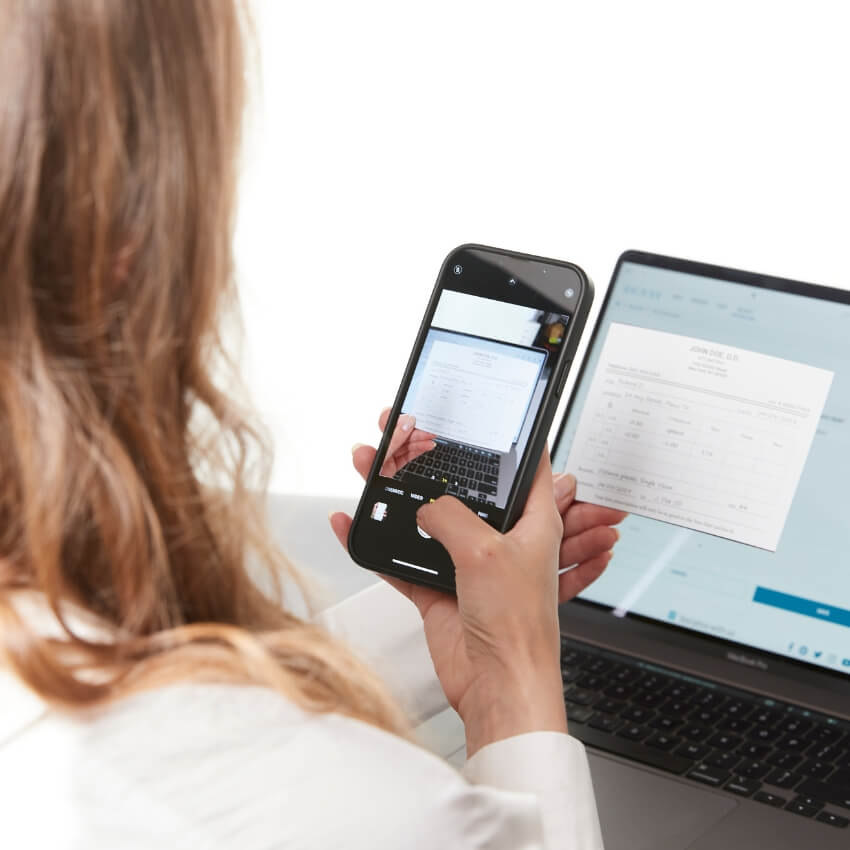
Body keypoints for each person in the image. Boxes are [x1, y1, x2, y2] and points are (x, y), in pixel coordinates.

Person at [0, 1, 626, 847]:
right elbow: (238, 758)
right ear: (124, 241)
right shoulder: (293, 801)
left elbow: (184, 695)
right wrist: (514, 677)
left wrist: (454, 612)